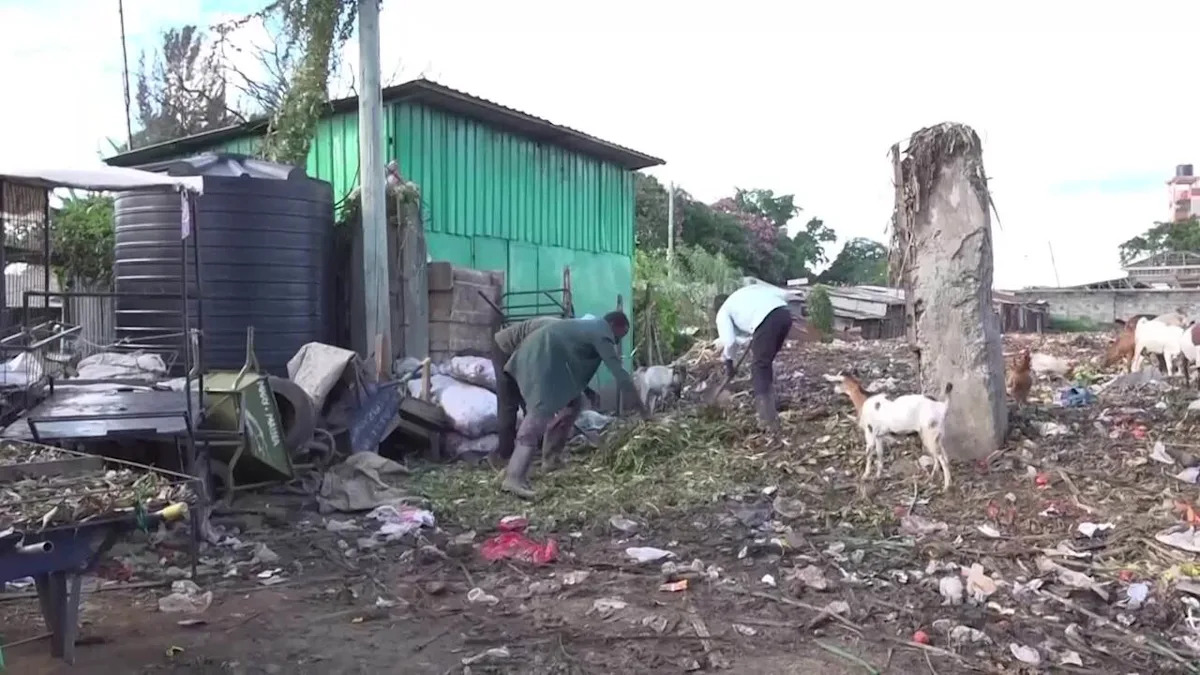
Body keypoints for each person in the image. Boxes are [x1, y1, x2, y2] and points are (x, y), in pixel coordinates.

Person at [501, 311, 648, 499]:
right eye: (620, 335)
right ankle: (514, 476)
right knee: (540, 410)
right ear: (614, 326)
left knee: (574, 402)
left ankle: (551, 459)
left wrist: (587, 390)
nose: (619, 341)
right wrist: (643, 411)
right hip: (541, 356)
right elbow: (619, 373)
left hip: (548, 356)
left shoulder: (592, 328)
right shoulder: (601, 332)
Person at [713, 283, 794, 429]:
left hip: (767, 319)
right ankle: (771, 405)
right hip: (784, 314)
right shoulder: (740, 298)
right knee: (765, 363)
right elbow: (739, 340)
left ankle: (767, 419)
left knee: (759, 366)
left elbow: (729, 342)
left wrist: (729, 363)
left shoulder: (723, 312)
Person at [489, 316, 561, 469]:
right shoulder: (555, 335)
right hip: (505, 349)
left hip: (522, 351)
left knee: (531, 402)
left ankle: (537, 447)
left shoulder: (564, 335)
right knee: (509, 404)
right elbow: (535, 362)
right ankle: (505, 454)